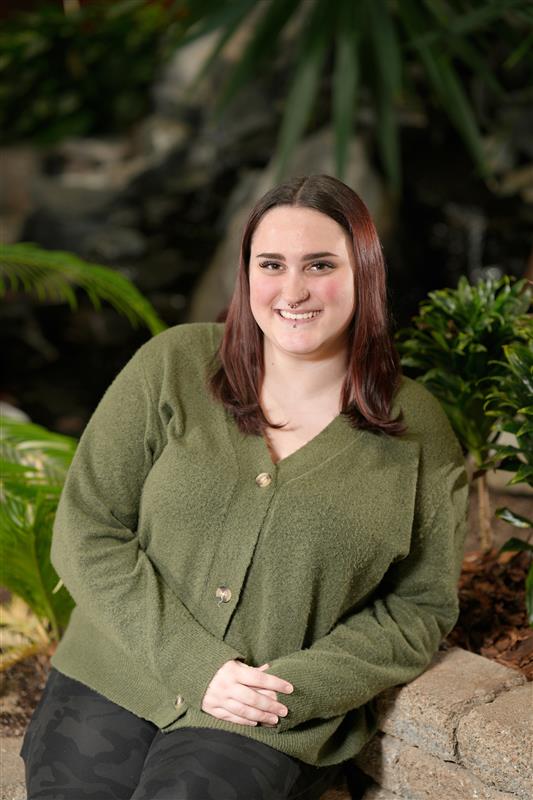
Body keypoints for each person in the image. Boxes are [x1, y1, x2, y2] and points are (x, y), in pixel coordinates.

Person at [20, 174, 469, 800]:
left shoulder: (418, 431)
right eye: (271, 264)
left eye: (320, 264)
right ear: (246, 274)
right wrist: (197, 666)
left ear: (365, 271)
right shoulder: (173, 365)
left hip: (263, 714)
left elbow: (419, 608)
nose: (293, 290)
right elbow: (86, 528)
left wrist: (293, 687)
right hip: (116, 670)